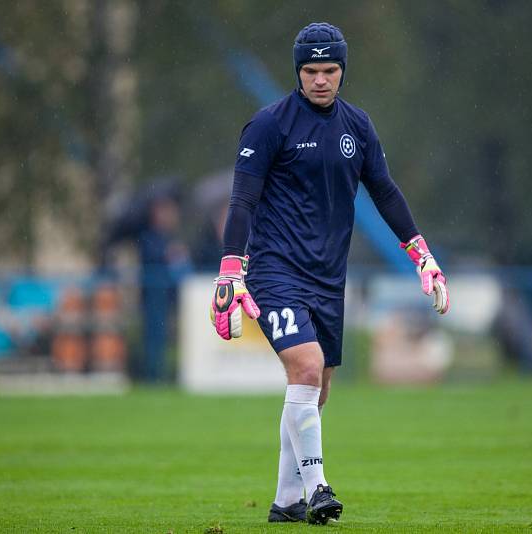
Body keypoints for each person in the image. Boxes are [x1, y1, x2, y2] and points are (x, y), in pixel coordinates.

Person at [209, 22, 450, 525]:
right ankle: (319, 489)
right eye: (311, 70)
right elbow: (243, 200)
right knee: (307, 368)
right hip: (274, 268)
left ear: (343, 71)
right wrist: (232, 267)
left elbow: (384, 191)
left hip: (328, 277)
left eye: (330, 70)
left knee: (315, 391)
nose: (320, 80)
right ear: (297, 72)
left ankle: (286, 502)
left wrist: (421, 254)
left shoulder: (357, 127)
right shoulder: (269, 126)